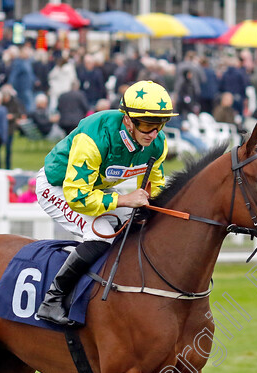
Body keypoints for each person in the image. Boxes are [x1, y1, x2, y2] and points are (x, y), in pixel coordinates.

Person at [34, 80, 176, 325]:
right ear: (128, 119)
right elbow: (77, 196)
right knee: (102, 234)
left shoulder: (157, 143)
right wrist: (124, 200)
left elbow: (155, 188)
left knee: (138, 228)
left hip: (97, 190)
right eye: (147, 125)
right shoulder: (95, 137)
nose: (153, 133)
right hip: (59, 188)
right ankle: (52, 300)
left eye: (160, 125)